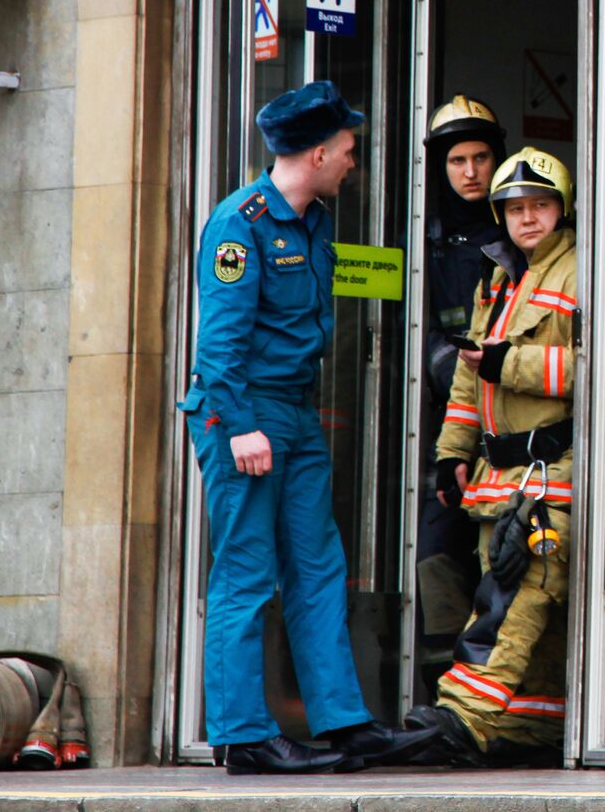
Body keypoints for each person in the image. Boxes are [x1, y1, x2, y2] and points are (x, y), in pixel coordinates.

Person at [179, 80, 440, 775]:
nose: (355, 161)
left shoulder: (316, 219)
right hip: (244, 413)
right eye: (349, 150)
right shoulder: (241, 223)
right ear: (318, 153)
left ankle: (344, 722)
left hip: (293, 411)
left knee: (319, 567)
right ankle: (242, 735)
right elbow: (220, 342)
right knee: (246, 572)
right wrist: (238, 427)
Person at [405, 149, 605, 767]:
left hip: (557, 472)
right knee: (594, 612)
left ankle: (465, 717)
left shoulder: (586, 272)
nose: (528, 218)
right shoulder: (496, 279)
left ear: (562, 209)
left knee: (515, 592)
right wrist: (451, 456)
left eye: (540, 205)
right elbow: (470, 382)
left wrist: (508, 363)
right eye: (516, 208)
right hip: (500, 477)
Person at [416, 95, 506, 689]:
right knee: (434, 554)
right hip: (440, 429)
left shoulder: (520, 234)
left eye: (480, 158)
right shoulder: (424, 241)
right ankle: (441, 693)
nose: (470, 172)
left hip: (508, 429)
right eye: (457, 161)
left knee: (502, 563)